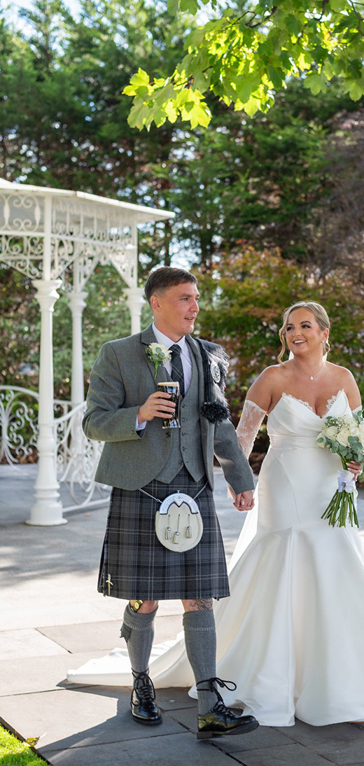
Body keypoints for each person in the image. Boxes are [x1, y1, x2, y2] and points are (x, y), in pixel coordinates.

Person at [71, 299, 364, 727]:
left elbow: (355, 435)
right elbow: (237, 435)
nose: (294, 333)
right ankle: (196, 680)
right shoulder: (270, 377)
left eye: (303, 325)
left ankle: (332, 676)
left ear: (324, 331)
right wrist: (238, 481)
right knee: (244, 575)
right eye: (288, 327)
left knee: (337, 572)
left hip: (332, 490)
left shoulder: (344, 378)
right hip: (283, 486)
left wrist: (356, 462)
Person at [80, 266, 259, 740]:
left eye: (196, 298)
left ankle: (208, 704)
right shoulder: (118, 354)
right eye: (184, 298)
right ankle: (142, 685)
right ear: (156, 303)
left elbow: (220, 424)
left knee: (199, 597)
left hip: (196, 486)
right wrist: (138, 414)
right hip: (142, 487)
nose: (194, 306)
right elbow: (94, 422)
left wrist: (241, 479)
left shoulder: (208, 356)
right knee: (146, 597)